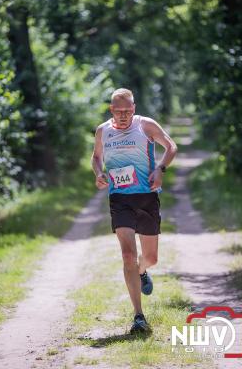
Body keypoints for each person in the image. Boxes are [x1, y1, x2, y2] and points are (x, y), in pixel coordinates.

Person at [91, 88, 177, 333]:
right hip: (120, 199)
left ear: (134, 108)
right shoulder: (103, 131)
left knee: (150, 258)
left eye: (128, 111)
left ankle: (142, 271)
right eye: (119, 112)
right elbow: (96, 157)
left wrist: (160, 169)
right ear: (111, 111)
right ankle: (139, 316)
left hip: (147, 197)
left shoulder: (145, 126)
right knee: (128, 255)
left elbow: (171, 146)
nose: (124, 116)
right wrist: (99, 173)